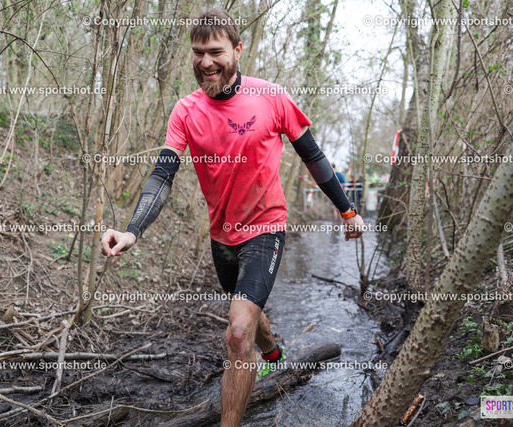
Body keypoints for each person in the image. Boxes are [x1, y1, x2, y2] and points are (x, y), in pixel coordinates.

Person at [100, 7, 364, 426]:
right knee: (248, 314)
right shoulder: (186, 111)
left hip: (265, 229)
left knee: (238, 333)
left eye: (215, 52)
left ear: (238, 50)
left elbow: (312, 156)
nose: (205, 62)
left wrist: (347, 209)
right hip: (221, 236)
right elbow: (162, 175)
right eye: (198, 52)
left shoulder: (272, 97)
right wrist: (133, 231)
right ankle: (273, 354)